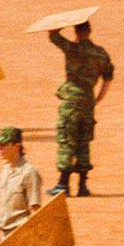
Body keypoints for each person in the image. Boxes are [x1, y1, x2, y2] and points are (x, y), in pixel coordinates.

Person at [48, 20, 114, 197]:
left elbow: (52, 35)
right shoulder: (101, 54)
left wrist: (64, 22)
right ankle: (83, 186)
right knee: (83, 142)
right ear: (89, 31)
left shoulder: (72, 49)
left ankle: (63, 185)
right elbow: (108, 79)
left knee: (67, 140)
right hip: (88, 101)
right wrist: (96, 99)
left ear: (76, 31)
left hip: (71, 101)